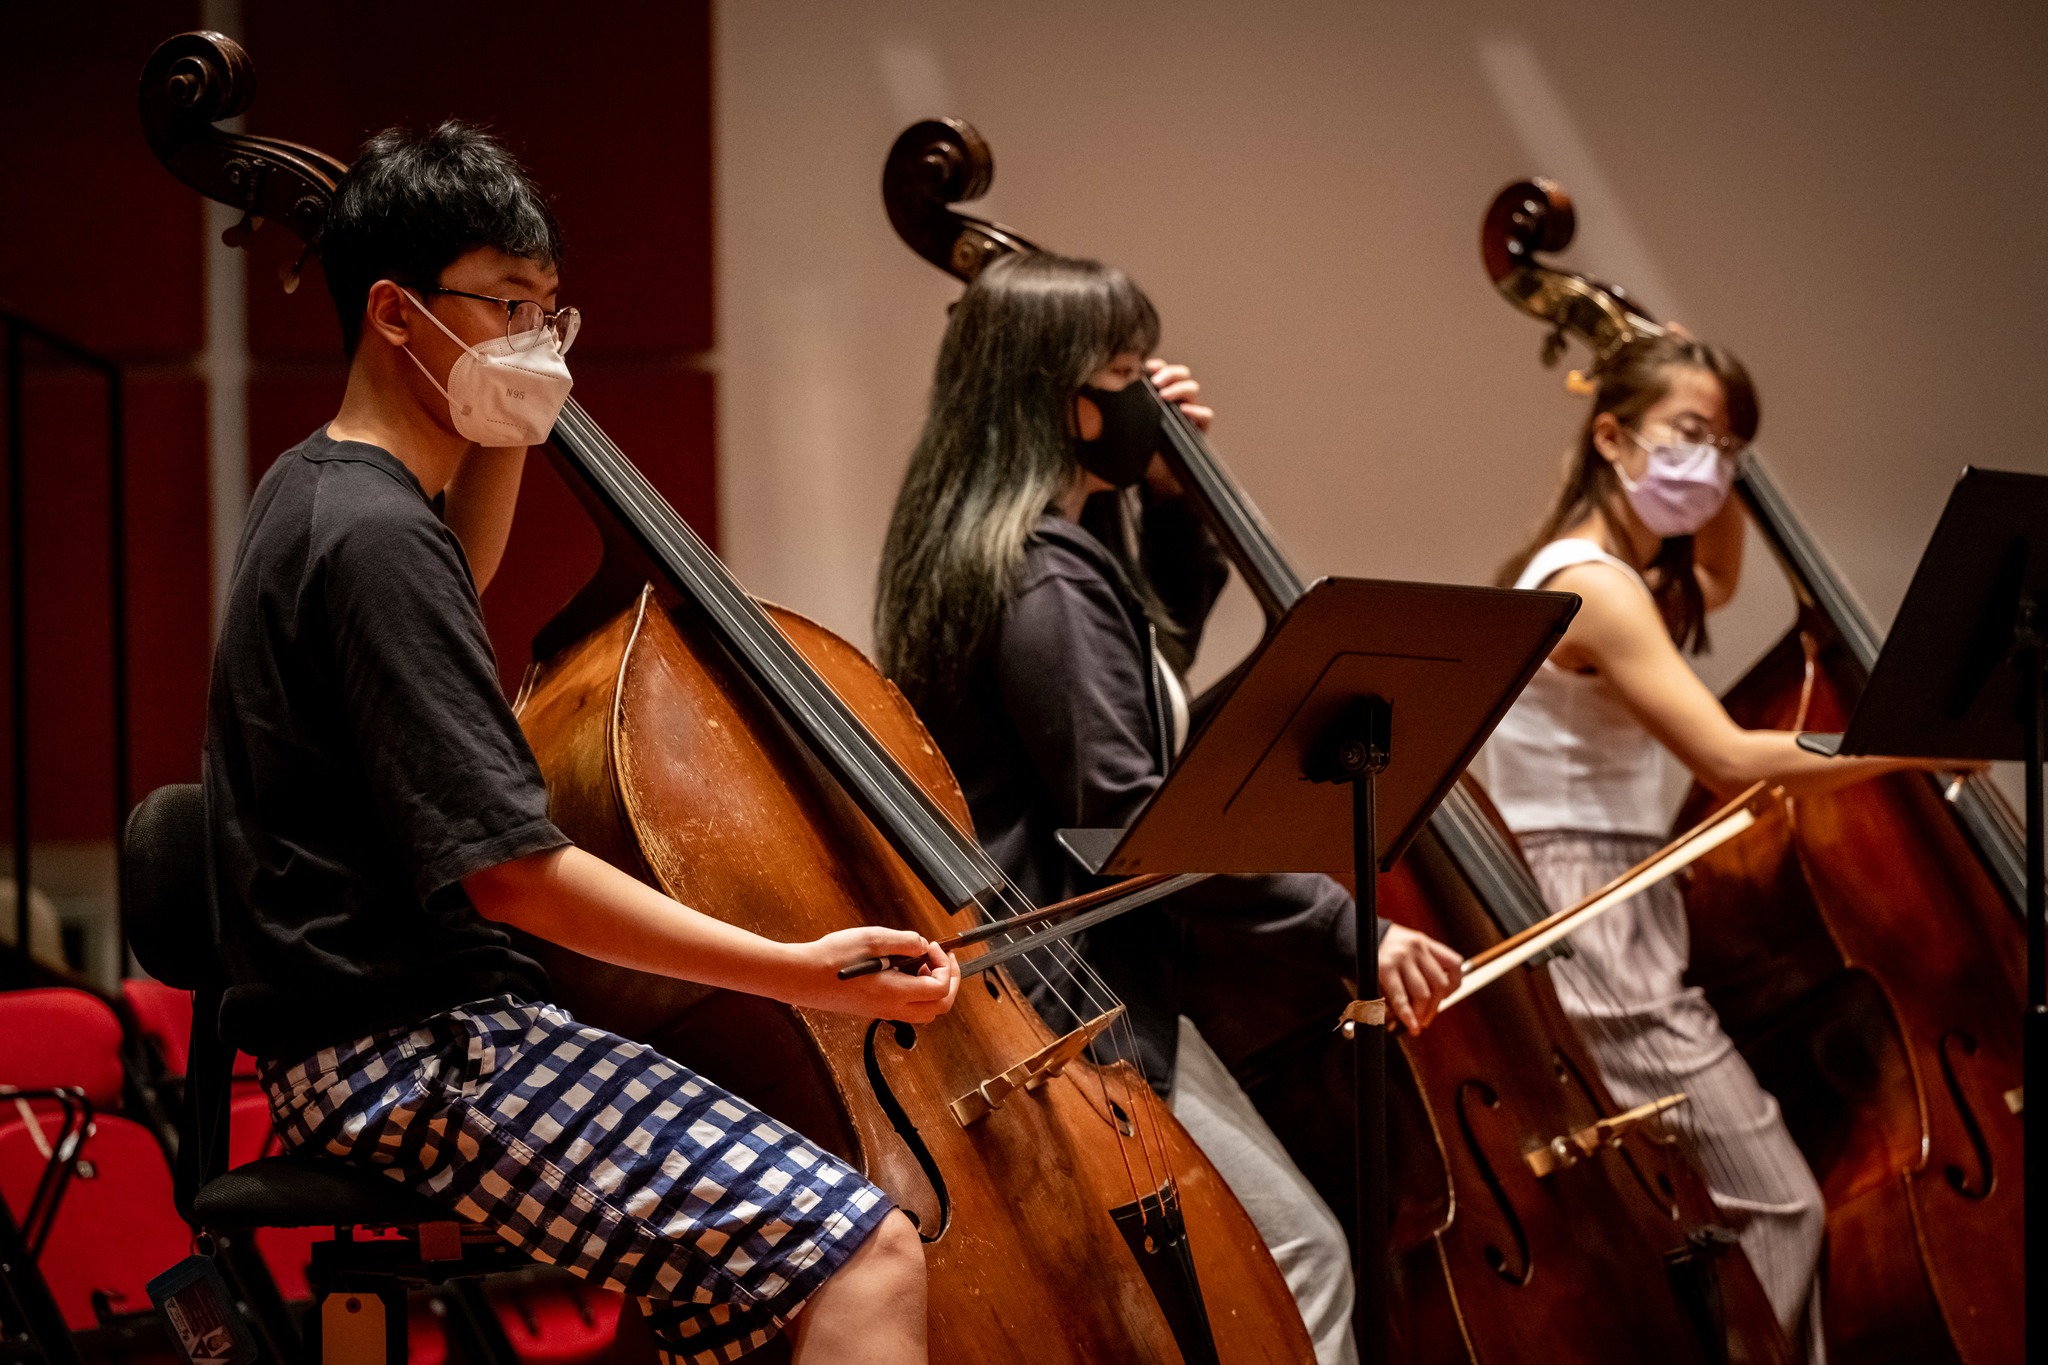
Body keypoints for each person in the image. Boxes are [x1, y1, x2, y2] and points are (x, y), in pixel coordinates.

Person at [203, 122, 960, 1365]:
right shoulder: (374, 538)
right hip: (412, 1059)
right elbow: (513, 873)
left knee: (738, 1296)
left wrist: (511, 417)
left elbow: (460, 571)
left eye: (549, 311)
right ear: (395, 314)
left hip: (368, 1040)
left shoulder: (324, 488)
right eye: (505, 303)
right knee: (861, 1247)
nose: (533, 339)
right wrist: (795, 971)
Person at [874, 251, 1463, 1365]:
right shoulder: (1038, 574)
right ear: (1059, 396)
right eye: (1125, 372)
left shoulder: (1027, 556)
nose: (1150, 396)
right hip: (1076, 1005)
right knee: (1300, 1260)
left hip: (1072, 992)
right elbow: (1134, 817)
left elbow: (1145, 684)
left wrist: (1173, 505)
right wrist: (1351, 928)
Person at [1483, 331, 1968, 1363]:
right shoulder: (1597, 586)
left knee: (1729, 1212)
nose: (1708, 468)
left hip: (1614, 891)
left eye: (1729, 449)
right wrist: (1899, 745)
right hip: (1588, 911)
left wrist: (1714, 442)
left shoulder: (1629, 572)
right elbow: (1724, 755)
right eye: (1687, 438)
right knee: (1779, 1205)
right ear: (1608, 435)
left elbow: (1714, 570)